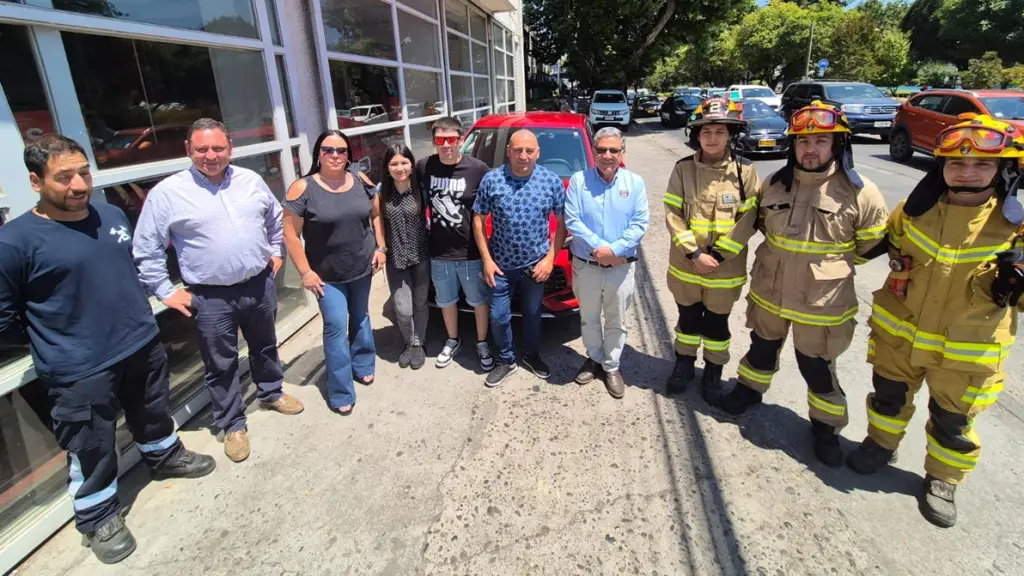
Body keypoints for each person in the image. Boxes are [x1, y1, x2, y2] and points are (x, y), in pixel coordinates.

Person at [0, 135, 216, 564]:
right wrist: (56, 335)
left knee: (153, 409)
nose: (79, 185)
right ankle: (98, 514)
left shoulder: (110, 213)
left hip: (139, 341)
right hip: (79, 366)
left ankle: (164, 456)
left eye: (84, 172)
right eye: (64, 177)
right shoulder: (15, 242)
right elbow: (4, 319)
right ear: (35, 181)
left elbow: (128, 267)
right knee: (91, 442)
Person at [846, 115, 1024, 528]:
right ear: (941, 166)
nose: (967, 172)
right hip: (900, 336)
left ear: (1004, 170)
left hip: (967, 350)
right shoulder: (914, 211)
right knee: (888, 398)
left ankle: (943, 479)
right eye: (957, 164)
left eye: (982, 164)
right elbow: (875, 247)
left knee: (954, 420)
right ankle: (880, 444)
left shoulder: (1015, 230)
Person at [717, 101, 890, 467]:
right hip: (771, 290)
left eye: (821, 141)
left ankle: (826, 427)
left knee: (817, 367)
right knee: (762, 348)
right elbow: (760, 226)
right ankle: (749, 389)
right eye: (803, 142)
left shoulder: (862, 193)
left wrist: (827, 267)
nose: (810, 149)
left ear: (838, 145)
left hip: (823, 301)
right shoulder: (775, 184)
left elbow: (870, 246)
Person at [134, 118, 305, 463]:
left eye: (217, 148)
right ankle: (232, 424)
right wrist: (165, 290)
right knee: (220, 362)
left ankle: (271, 393)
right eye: (202, 149)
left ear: (230, 148)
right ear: (188, 150)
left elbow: (274, 219)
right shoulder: (168, 193)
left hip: (258, 284)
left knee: (265, 345)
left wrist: (275, 252)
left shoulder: (250, 181)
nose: (210, 155)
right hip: (211, 296)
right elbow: (146, 248)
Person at [663, 98, 761, 404]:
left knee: (717, 324)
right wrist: (694, 254)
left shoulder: (745, 172)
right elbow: (672, 213)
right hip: (686, 266)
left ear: (731, 134)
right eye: (706, 131)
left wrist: (717, 256)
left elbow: (749, 219)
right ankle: (684, 364)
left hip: (724, 270)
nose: (713, 137)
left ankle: (714, 371)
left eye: (720, 131)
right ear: (697, 135)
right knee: (688, 319)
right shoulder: (682, 169)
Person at [282, 130, 386, 416]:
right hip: (327, 276)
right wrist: (305, 272)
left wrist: (381, 248)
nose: (336, 156)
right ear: (318, 154)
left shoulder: (361, 180)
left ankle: (363, 364)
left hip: (362, 266)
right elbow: (290, 235)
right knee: (336, 327)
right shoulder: (302, 188)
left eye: (341, 151)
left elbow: (376, 215)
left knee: (362, 317)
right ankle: (341, 390)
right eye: (329, 150)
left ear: (348, 155)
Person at [473, 129, 567, 387]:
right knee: (498, 316)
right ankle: (506, 360)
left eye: (529, 150)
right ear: (508, 151)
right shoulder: (492, 180)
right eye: (518, 150)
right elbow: (478, 219)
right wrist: (486, 259)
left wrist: (549, 259)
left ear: (538, 153)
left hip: (535, 266)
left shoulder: (551, 181)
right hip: (500, 266)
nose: (523, 155)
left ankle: (531, 355)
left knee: (533, 313)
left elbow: (562, 222)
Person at [564, 127, 649, 399]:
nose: (607, 155)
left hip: (620, 267)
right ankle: (594, 357)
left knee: (616, 320)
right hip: (586, 266)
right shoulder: (579, 181)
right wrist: (599, 249)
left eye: (614, 150)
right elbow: (573, 220)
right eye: (601, 150)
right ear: (594, 152)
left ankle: (611, 366)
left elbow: (639, 224)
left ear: (622, 153)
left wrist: (613, 250)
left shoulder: (634, 183)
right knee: (588, 318)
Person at [416, 117, 493, 371]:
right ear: (434, 142)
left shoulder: (478, 169)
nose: (446, 145)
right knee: (445, 300)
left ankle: (482, 342)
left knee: (478, 300)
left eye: (451, 139)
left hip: (471, 250)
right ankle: (452, 340)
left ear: (461, 139)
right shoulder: (424, 166)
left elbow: (490, 207)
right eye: (440, 140)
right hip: (439, 252)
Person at [377, 144, 430, 370]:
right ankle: (408, 341)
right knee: (402, 308)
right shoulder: (381, 193)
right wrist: (380, 248)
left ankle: (419, 343)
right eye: (394, 164)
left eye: (404, 162)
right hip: (395, 259)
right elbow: (377, 221)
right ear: (387, 168)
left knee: (420, 303)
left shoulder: (421, 189)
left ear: (411, 164)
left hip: (421, 256)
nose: (400, 168)